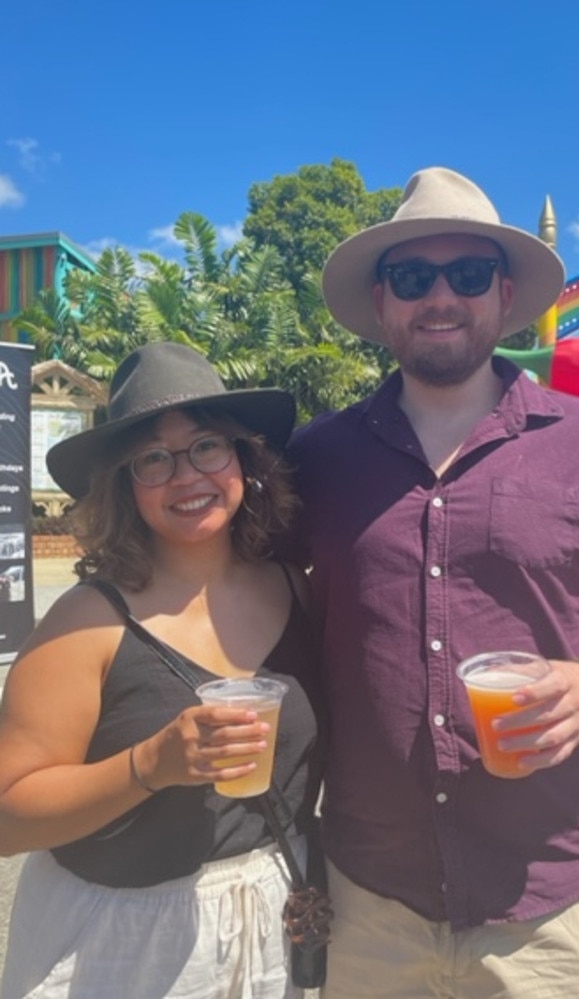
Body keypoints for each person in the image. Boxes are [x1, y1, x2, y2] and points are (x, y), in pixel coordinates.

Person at [286, 166, 579, 998]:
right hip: (369, 906)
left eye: (468, 273)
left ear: (504, 292)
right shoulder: (316, 458)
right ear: (382, 302)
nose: (439, 295)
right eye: (413, 277)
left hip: (547, 916)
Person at [0, 342, 324, 999]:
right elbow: (7, 817)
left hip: (272, 928)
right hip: (118, 946)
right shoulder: (84, 622)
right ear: (125, 484)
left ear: (244, 460)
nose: (186, 475)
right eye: (153, 458)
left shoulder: (299, 589)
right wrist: (150, 764)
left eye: (207, 445)